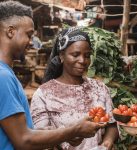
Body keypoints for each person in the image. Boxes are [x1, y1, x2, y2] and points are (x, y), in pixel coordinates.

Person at [0, 1, 106, 150]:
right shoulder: (3, 77)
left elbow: (17, 132)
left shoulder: (5, 74)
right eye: (29, 35)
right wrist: (73, 131)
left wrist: (51, 132)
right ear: (10, 31)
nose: (31, 43)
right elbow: (24, 141)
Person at [30, 27, 119, 150]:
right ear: (61, 56)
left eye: (87, 55)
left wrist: (107, 143)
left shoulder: (99, 88)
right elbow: (40, 139)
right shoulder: (44, 94)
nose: (82, 60)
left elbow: (112, 125)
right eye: (75, 55)